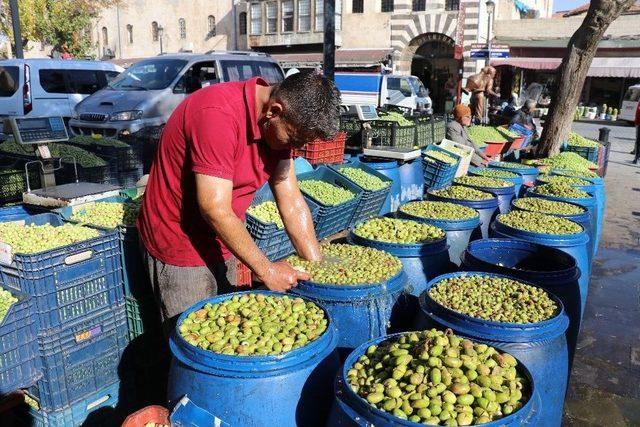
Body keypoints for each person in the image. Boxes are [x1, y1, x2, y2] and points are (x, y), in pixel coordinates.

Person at [137, 71, 341, 333]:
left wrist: (316, 264)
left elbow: (290, 198)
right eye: (294, 140)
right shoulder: (217, 114)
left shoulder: (280, 123)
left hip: (224, 237)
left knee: (227, 328)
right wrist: (267, 270)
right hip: (180, 240)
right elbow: (214, 208)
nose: (297, 149)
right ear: (273, 111)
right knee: (198, 340)